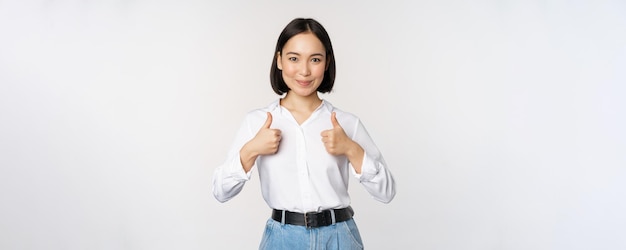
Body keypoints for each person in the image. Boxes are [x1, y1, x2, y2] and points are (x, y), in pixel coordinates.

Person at [212, 17, 396, 250]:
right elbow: (220, 192)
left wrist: (351, 149)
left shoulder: (346, 123)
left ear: (327, 62)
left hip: (339, 238)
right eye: (293, 58)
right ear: (279, 60)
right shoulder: (257, 122)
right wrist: (250, 151)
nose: (305, 71)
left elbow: (386, 192)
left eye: (315, 59)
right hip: (281, 239)